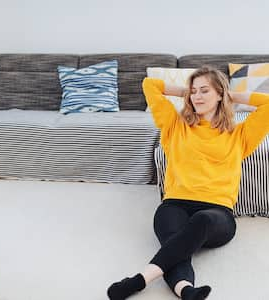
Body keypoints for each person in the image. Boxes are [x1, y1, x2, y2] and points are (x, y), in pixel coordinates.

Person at [106, 65, 269, 300]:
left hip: (217, 213)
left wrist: (228, 94)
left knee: (200, 221)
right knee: (176, 244)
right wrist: (188, 92)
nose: (197, 96)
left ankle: (139, 279)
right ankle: (186, 291)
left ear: (220, 94)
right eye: (193, 91)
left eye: (204, 91)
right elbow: (150, 84)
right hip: (174, 205)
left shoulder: (240, 134)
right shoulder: (175, 125)